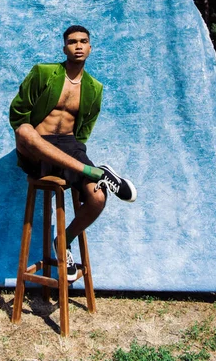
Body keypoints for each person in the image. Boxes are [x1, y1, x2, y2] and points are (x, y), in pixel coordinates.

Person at [9, 25, 137, 281]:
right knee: (24, 130)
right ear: (64, 47)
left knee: (98, 198)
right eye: (72, 41)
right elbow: (18, 113)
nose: (78, 45)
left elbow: (83, 131)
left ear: (90, 47)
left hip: (69, 146)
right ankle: (96, 172)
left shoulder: (94, 89)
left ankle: (64, 241)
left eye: (83, 41)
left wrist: (75, 158)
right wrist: (35, 140)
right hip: (37, 145)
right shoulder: (43, 73)